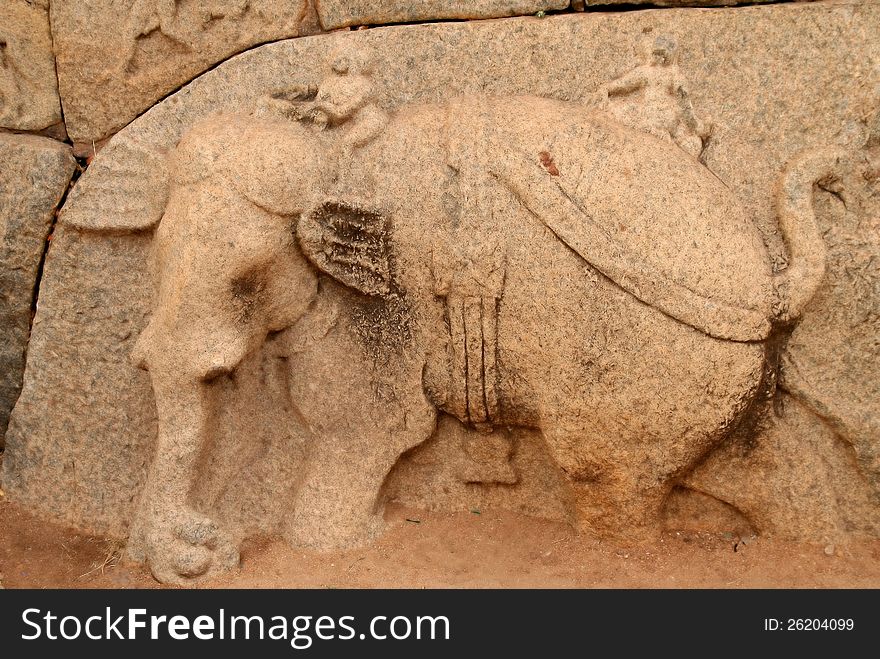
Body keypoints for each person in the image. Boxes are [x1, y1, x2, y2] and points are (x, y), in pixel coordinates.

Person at [601, 35, 711, 158]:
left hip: (647, 113)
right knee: (691, 143)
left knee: (615, 111)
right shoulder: (676, 76)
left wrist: (604, 90)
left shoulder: (645, 72)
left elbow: (619, 85)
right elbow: (686, 109)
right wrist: (700, 127)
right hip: (667, 118)